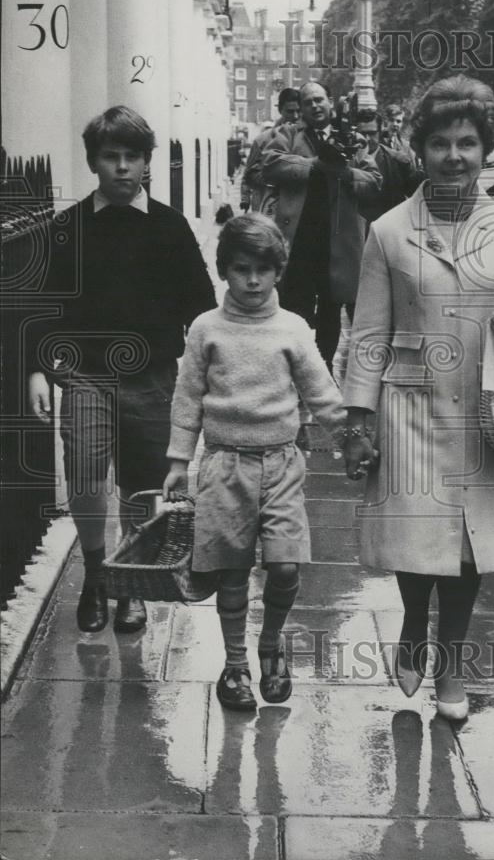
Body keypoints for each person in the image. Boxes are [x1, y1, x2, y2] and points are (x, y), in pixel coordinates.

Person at [342, 76, 494, 721]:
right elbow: (369, 333)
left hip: (486, 408)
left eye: (467, 143)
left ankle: (452, 667)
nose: (454, 156)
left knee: (468, 544)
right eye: (440, 144)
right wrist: (359, 420)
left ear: (486, 149)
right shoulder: (387, 231)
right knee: (417, 535)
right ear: (421, 150)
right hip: (411, 404)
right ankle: (411, 624)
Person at [27, 106, 216, 634]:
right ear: (94, 162)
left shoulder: (170, 227)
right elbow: (43, 307)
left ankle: (130, 579)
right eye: (111, 156)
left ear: (146, 162)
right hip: (87, 373)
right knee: (86, 473)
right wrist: (38, 371)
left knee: (141, 484)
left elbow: (200, 307)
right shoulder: (68, 227)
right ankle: (95, 575)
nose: (123, 167)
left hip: (154, 375)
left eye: (133, 157)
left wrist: (211, 374)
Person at [162, 214, 345, 711]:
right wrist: (180, 460)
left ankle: (272, 644)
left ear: (278, 271)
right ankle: (236, 665)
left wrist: (351, 438)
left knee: (285, 565)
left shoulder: (293, 328)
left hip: (282, 464)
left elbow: (321, 391)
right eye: (241, 268)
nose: (252, 280)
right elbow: (188, 397)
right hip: (223, 465)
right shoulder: (206, 329)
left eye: (263, 269)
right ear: (224, 269)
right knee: (231, 571)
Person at [254, 81, 383, 370]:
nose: (315, 105)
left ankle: (322, 369)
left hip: (337, 239)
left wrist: (345, 173)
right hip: (298, 236)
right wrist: (313, 165)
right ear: (301, 108)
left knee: (331, 305)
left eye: (319, 100)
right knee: (293, 304)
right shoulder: (287, 134)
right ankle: (293, 367)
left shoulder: (352, 139)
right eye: (308, 101)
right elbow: (270, 165)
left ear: (330, 101)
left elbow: (374, 182)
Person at [355, 112, 425, 220]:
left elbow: (416, 195)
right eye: (362, 134)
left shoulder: (398, 161)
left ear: (380, 132)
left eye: (372, 133)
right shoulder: (347, 161)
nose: (367, 139)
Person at [241, 88, 301, 213]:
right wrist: (245, 199)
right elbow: (248, 175)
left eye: (298, 111)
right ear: (280, 110)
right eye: (290, 111)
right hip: (267, 206)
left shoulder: (307, 139)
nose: (295, 116)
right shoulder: (263, 140)